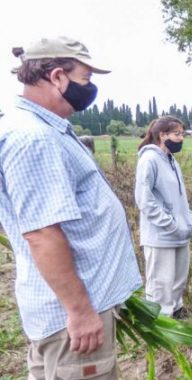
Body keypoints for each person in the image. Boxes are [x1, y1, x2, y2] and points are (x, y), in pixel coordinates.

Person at [0, 36, 141, 378]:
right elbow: (43, 234)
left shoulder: (41, 128)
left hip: (71, 311)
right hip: (72, 321)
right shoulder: (34, 137)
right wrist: (79, 311)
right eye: (85, 80)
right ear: (58, 77)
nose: (89, 89)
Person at [134, 116, 192, 319]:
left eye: (182, 134)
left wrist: (188, 219)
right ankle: (160, 323)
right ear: (162, 135)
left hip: (180, 232)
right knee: (160, 282)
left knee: (178, 279)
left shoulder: (171, 160)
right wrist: (169, 224)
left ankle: (176, 313)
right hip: (161, 235)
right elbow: (144, 199)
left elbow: (178, 197)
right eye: (177, 134)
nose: (181, 138)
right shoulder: (149, 159)